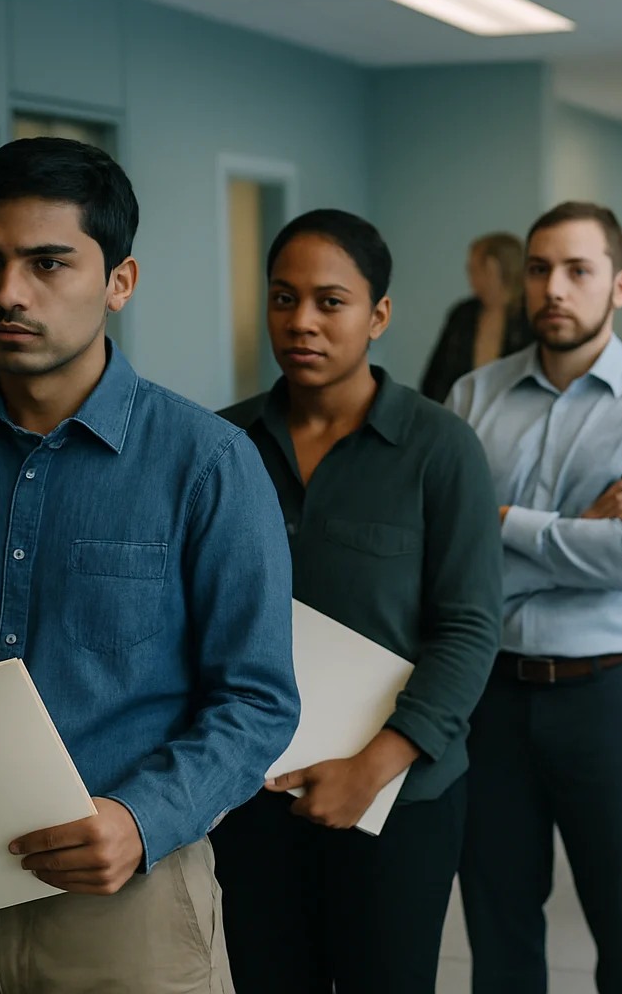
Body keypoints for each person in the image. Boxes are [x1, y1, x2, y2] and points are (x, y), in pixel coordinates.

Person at [0, 137, 300, 992]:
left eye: (48, 263)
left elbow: (257, 699)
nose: (8, 292)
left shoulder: (209, 465)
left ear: (120, 281)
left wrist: (140, 819)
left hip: (129, 904)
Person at [213, 210, 504, 993]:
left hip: (399, 796)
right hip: (249, 795)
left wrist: (374, 767)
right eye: (283, 298)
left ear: (378, 315)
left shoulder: (441, 448)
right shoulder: (221, 446)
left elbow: (470, 627)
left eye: (330, 301)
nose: (301, 321)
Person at [448, 202, 622, 994]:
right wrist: (576, 529)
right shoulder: (472, 397)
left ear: (620, 286)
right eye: (539, 269)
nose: (553, 288)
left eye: (577, 270)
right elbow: (449, 565)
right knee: (499, 935)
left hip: (612, 695)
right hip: (492, 694)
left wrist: (504, 523)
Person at [419, 232, 534, 403]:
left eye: (473, 268)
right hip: (458, 411)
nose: (469, 275)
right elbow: (434, 379)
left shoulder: (531, 316)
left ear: (493, 268)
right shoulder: (462, 314)